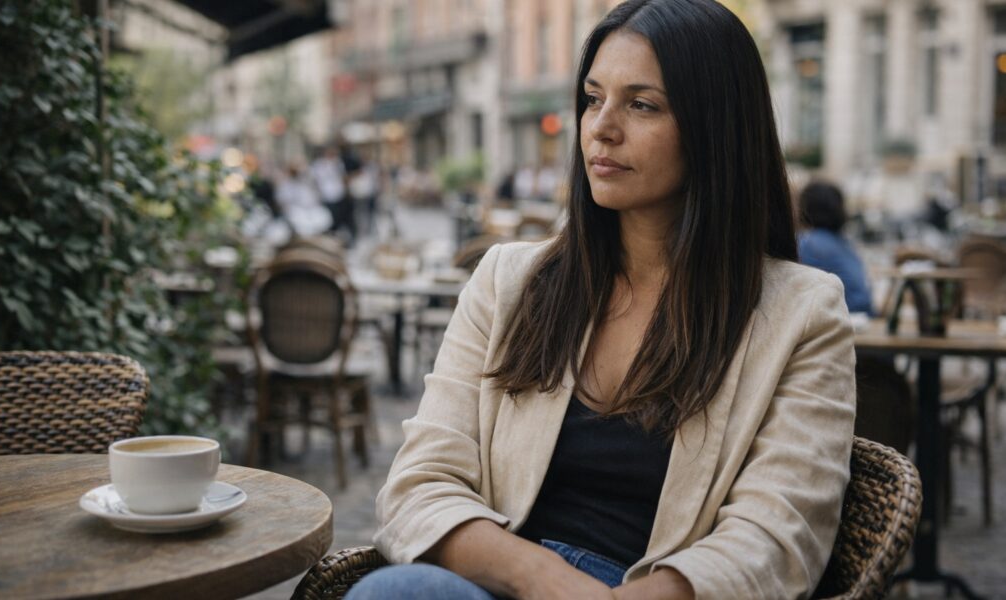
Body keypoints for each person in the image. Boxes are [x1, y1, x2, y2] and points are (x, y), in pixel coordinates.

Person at [349, 1, 855, 599]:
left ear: (714, 128)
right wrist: (547, 582)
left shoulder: (801, 313)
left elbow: (776, 537)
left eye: (642, 104)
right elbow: (418, 488)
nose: (601, 127)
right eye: (593, 98)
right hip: (501, 580)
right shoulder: (509, 281)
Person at [797, 180, 875, 315]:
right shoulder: (843, 243)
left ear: (806, 208)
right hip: (863, 314)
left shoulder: (807, 243)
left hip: (844, 314)